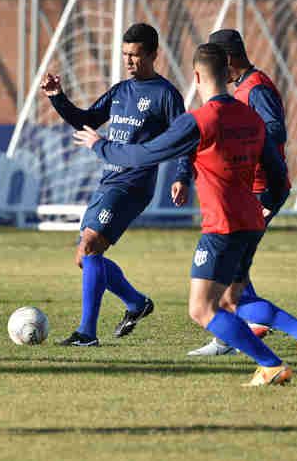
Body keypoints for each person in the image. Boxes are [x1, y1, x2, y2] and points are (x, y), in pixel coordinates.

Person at [73, 42, 294, 386]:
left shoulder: (200, 120)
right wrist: (271, 201)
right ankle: (295, 340)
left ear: (196, 76)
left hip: (222, 224)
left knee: (202, 309)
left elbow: (145, 154)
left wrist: (100, 146)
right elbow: (277, 171)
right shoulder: (250, 116)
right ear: (228, 72)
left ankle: (272, 363)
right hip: (252, 220)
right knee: (231, 300)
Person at [185, 29, 297, 377]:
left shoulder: (256, 89)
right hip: (248, 193)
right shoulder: (243, 90)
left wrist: (246, 149)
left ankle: (261, 349)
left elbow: (273, 131)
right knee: (233, 293)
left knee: (225, 295)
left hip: (257, 193)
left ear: (230, 60)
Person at [42, 23, 190, 346]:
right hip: (109, 180)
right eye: (125, 55)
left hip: (134, 185)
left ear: (153, 55)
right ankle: (136, 303)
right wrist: (57, 98)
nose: (129, 61)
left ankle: (87, 333)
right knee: (84, 257)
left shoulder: (166, 95)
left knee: (91, 245)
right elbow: (87, 119)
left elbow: (185, 139)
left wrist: (181, 176)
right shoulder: (121, 91)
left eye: (136, 55)